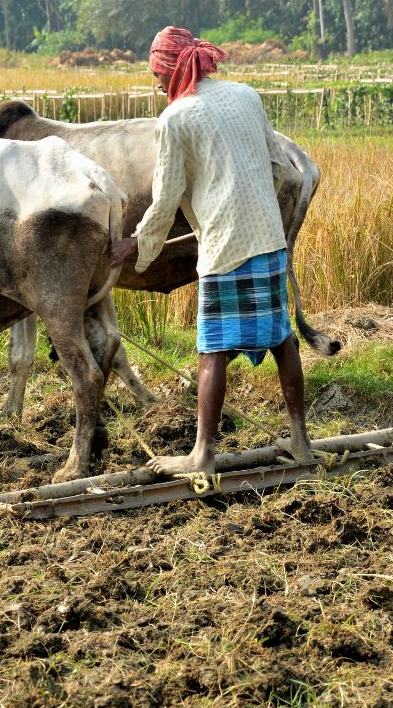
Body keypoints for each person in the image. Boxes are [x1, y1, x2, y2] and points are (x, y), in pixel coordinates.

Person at [109, 25, 315, 477]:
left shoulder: (176, 118)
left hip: (224, 247)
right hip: (268, 239)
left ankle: (202, 452)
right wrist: (257, 204)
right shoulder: (247, 94)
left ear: (170, 69)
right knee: (281, 337)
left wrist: (135, 245)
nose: (157, 84)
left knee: (213, 348)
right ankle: (300, 440)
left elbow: (164, 201)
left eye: (156, 74)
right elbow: (280, 168)